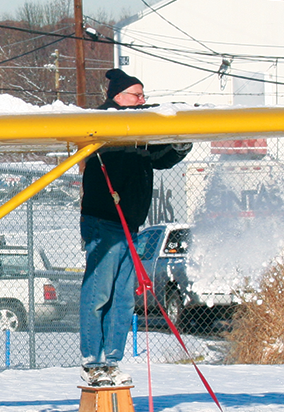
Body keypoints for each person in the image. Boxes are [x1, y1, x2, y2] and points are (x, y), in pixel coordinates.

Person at [79, 69, 192, 387]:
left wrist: (179, 145)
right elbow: (119, 149)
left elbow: (156, 156)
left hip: (131, 225)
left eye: (143, 96)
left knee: (123, 298)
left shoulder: (139, 128)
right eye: (137, 96)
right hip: (103, 222)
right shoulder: (104, 124)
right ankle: (92, 361)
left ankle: (113, 361)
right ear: (118, 97)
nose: (143, 101)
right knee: (99, 292)